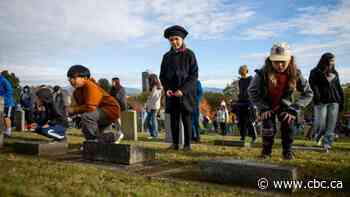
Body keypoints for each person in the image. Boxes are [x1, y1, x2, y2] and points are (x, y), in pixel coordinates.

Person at [248, 42, 313, 160]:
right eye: (276, 61)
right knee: (268, 127)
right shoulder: (262, 73)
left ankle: (287, 151)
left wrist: (295, 108)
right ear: (270, 60)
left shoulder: (296, 73)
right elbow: (252, 91)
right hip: (267, 105)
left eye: (283, 61)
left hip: (286, 106)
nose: (280, 64)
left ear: (290, 59)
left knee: (288, 125)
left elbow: (308, 93)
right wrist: (262, 107)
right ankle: (266, 152)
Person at [159, 25, 198, 151]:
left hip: (186, 94)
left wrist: (183, 90)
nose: (174, 42)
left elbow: (194, 75)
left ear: (182, 39)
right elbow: (163, 76)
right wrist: (167, 88)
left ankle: (187, 145)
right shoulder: (166, 57)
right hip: (172, 94)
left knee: (186, 119)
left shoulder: (189, 54)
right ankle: (175, 144)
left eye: (176, 39)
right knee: (174, 120)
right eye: (171, 40)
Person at [67, 65, 123, 143]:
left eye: (74, 78)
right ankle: (99, 142)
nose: (71, 80)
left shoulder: (90, 86)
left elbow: (90, 107)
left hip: (110, 109)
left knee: (87, 117)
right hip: (98, 112)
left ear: (85, 78)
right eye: (69, 78)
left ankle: (112, 137)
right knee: (91, 131)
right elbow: (77, 106)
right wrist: (70, 110)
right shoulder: (77, 91)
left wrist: (73, 110)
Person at [309, 52, 344, 152]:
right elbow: (313, 86)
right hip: (321, 102)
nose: (333, 62)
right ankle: (318, 136)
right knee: (320, 124)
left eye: (334, 60)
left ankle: (327, 144)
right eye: (331, 60)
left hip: (334, 101)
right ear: (325, 60)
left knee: (331, 125)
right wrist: (317, 98)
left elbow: (338, 87)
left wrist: (341, 101)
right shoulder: (315, 71)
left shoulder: (335, 72)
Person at [236, 65, 257, 142]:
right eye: (240, 74)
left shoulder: (251, 79)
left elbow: (253, 91)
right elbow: (240, 90)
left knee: (249, 120)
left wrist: (252, 102)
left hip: (249, 102)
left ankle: (253, 136)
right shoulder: (240, 80)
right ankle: (243, 136)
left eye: (243, 73)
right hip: (241, 102)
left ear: (246, 71)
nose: (242, 75)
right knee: (241, 121)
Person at [145, 74, 162, 139]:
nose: (148, 82)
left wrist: (148, 107)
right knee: (150, 120)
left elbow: (152, 99)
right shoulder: (158, 86)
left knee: (152, 120)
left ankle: (155, 135)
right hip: (155, 106)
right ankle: (153, 134)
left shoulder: (155, 87)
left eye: (149, 80)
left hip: (152, 107)